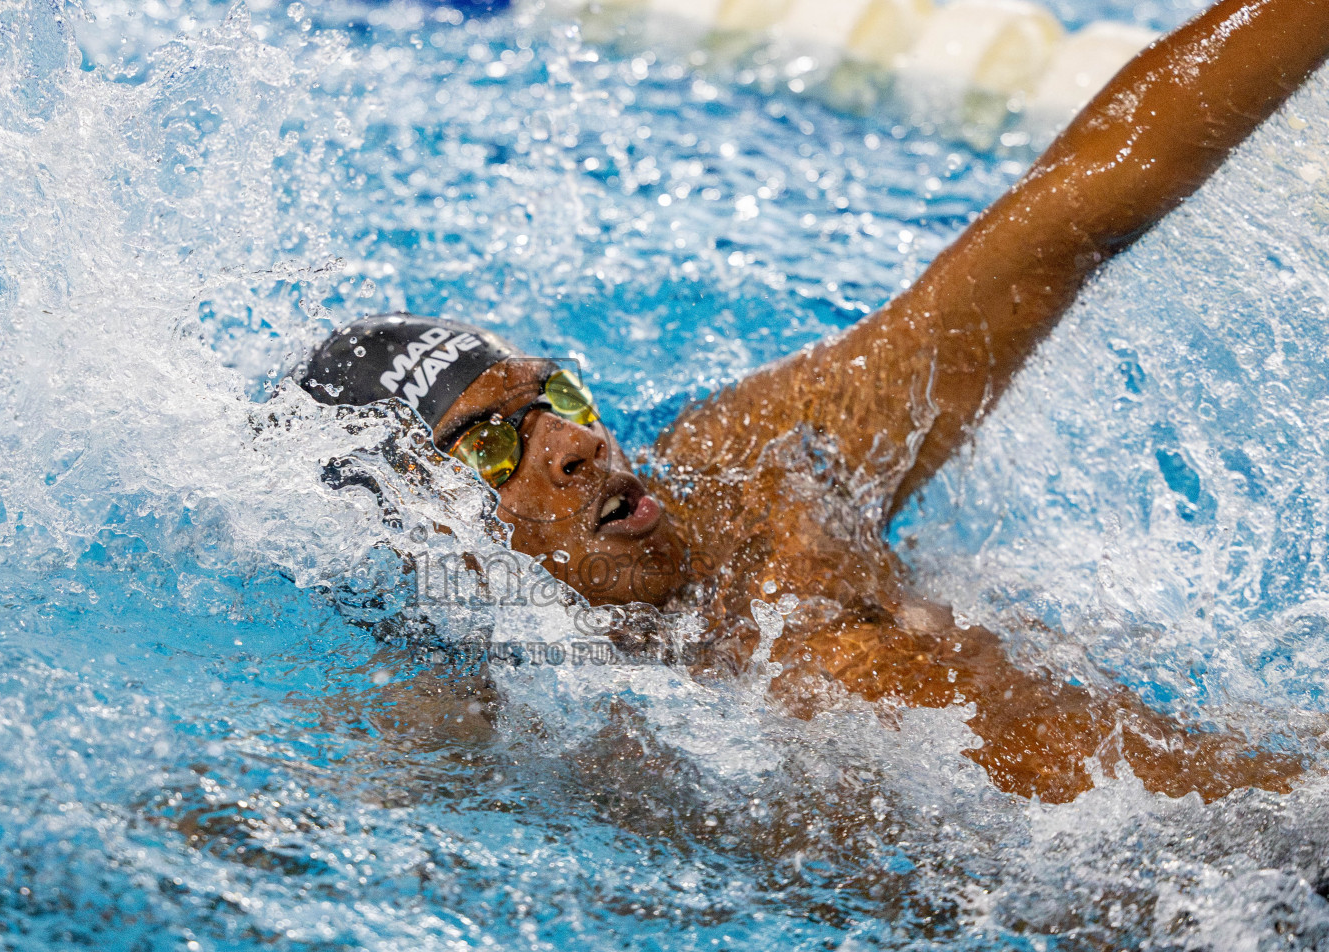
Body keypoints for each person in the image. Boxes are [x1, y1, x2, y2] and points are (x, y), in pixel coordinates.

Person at [289, 0, 1329, 805]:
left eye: (551, 394)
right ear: (425, 533)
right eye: (489, 443)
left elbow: (1073, 213)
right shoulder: (510, 722)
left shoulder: (765, 477)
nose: (576, 441)